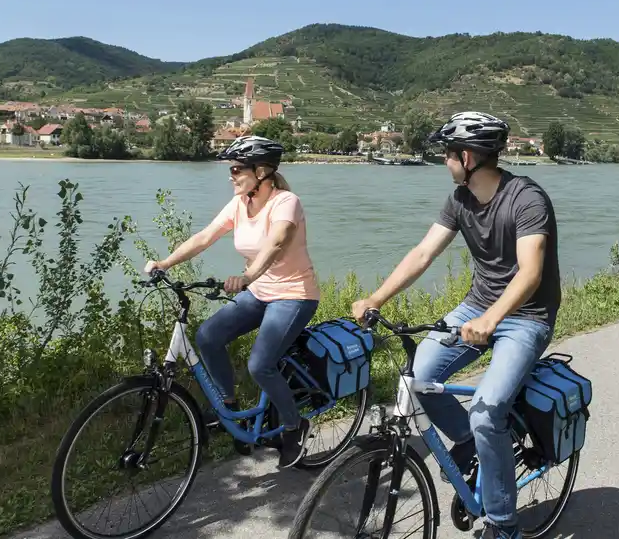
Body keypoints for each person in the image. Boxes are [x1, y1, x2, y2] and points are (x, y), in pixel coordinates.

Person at [351, 111, 560, 539]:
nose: (443, 163)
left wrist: (492, 318)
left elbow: (530, 273)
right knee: (418, 379)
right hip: (477, 308)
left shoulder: (526, 198)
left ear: (467, 157)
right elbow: (423, 253)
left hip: (525, 318)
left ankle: (504, 523)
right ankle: (467, 445)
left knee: (487, 411)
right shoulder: (460, 199)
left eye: (447, 155)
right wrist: (376, 297)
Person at [144, 135, 319, 469]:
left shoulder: (286, 202)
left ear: (263, 171)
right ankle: (229, 407)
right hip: (259, 292)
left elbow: (278, 242)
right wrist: (164, 263)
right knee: (208, 336)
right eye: (231, 168)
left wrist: (249, 275)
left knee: (260, 365)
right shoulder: (239, 204)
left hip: (294, 294)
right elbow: (205, 237)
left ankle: (295, 426)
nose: (231, 175)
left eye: (238, 168)